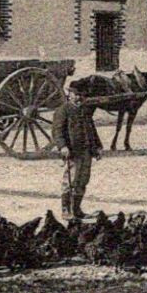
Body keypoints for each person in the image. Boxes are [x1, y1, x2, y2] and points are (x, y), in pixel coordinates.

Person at [51, 86, 102, 219]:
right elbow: (57, 131)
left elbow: (92, 129)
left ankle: (77, 210)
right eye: (76, 94)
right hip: (73, 152)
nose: (79, 98)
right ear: (70, 95)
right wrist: (62, 146)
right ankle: (66, 210)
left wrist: (97, 146)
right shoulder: (63, 111)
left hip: (87, 151)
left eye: (81, 95)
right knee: (70, 180)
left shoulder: (85, 110)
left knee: (83, 180)